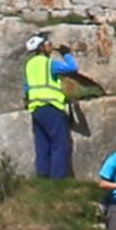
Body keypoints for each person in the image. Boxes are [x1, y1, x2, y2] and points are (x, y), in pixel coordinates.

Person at [25, 38, 85, 183]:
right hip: (51, 106)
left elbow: (26, 88)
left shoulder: (29, 65)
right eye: (47, 44)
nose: (50, 47)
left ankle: (43, 178)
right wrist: (66, 54)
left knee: (42, 144)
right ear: (41, 48)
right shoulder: (48, 63)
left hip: (36, 109)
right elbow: (72, 69)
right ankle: (58, 179)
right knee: (60, 143)